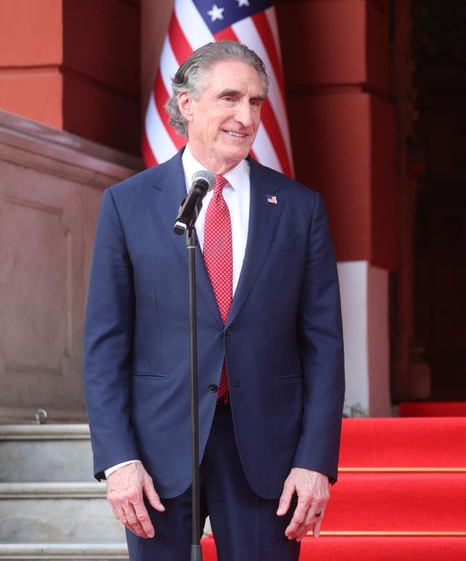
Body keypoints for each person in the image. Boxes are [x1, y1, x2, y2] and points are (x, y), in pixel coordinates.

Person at [83, 41, 345, 561]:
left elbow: (323, 347)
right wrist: (118, 461)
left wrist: (314, 462)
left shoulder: (299, 207)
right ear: (186, 105)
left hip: (267, 451)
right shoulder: (128, 204)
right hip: (157, 453)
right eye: (229, 98)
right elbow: (104, 346)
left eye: (255, 102)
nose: (246, 117)